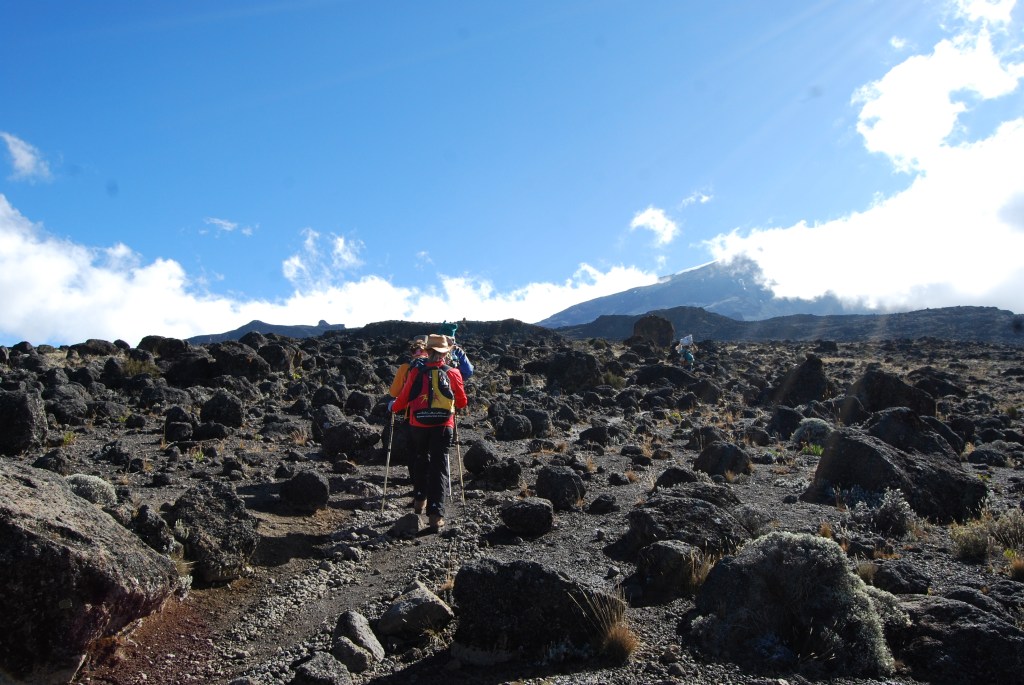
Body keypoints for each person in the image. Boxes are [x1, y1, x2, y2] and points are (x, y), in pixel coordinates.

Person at [389, 334, 468, 529]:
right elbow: (462, 402)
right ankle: (435, 514)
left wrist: (393, 407)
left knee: (420, 459)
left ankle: (419, 500)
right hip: (443, 425)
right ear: (445, 353)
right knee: (439, 466)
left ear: (428, 351)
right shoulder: (453, 372)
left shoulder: (416, 371)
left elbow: (404, 397)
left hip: (418, 424)